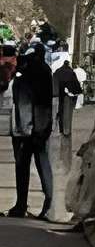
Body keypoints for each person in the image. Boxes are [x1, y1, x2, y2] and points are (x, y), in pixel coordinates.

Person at [8, 27, 58, 219]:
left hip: (27, 128)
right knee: (41, 163)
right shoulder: (43, 70)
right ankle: (48, 204)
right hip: (35, 126)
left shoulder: (28, 72)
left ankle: (24, 204)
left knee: (25, 165)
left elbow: (28, 101)